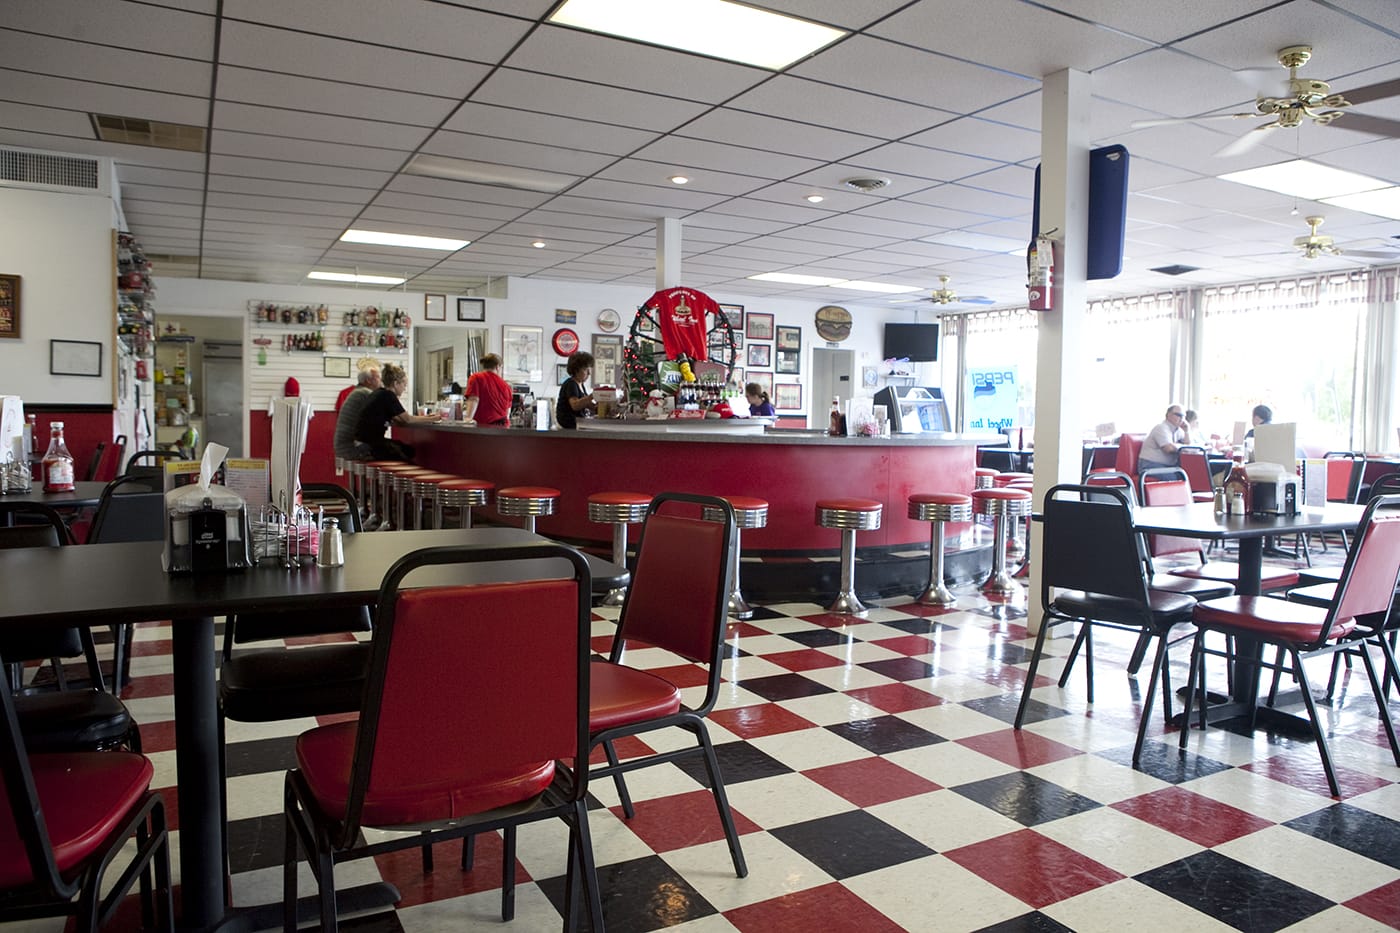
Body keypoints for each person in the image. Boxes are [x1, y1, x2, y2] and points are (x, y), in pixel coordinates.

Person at [354, 362, 441, 461]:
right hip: (369, 445)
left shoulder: (379, 393)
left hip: (361, 443)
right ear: (395, 383)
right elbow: (407, 419)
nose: (405, 388)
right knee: (408, 454)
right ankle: (403, 476)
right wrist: (434, 418)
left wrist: (428, 418)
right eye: (404, 384)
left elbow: (398, 419)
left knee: (407, 450)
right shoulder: (388, 395)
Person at [332, 358, 380, 462]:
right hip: (352, 449)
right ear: (368, 380)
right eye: (378, 378)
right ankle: (380, 478)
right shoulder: (365, 393)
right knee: (400, 451)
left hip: (344, 447)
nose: (381, 381)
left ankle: (375, 479)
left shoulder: (357, 392)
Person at [463, 353, 512, 427]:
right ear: (498, 367)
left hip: (484, 428)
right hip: (502, 429)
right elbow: (507, 413)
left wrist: (468, 419)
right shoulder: (507, 386)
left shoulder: (476, 378)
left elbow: (473, 399)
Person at [1138, 404, 1186, 472]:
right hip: (1150, 464)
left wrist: (1187, 431)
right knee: (1175, 478)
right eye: (1178, 415)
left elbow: (1188, 446)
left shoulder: (1178, 430)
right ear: (1168, 415)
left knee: (1189, 474)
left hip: (1167, 465)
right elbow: (1168, 449)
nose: (1182, 419)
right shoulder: (1161, 428)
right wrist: (1181, 446)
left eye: (1184, 416)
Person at [556, 351, 596, 430]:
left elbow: (587, 404)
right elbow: (575, 405)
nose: (589, 373)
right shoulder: (571, 384)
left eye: (589, 369)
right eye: (585, 369)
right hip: (570, 424)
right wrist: (592, 396)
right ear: (576, 370)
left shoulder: (581, 385)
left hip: (578, 423)